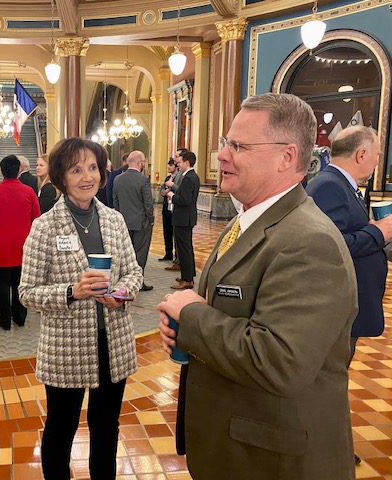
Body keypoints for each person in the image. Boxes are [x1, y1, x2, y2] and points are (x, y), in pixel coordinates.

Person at [158, 93, 358, 480]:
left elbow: (281, 360)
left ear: (287, 156)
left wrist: (192, 315)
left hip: (273, 461)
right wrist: (186, 329)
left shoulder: (308, 240)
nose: (221, 155)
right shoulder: (249, 219)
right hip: (237, 445)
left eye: (239, 146)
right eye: (225, 143)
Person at [19, 137, 142, 479]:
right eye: (76, 170)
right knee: (61, 427)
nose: (87, 176)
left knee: (106, 426)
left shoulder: (114, 220)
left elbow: (134, 271)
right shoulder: (44, 227)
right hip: (66, 347)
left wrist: (121, 292)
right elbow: (27, 292)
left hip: (112, 342)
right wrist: (72, 291)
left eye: (93, 167)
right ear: (61, 176)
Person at [306, 125, 390, 466]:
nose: (377, 160)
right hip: (338, 307)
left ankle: (329, 445)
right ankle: (322, 449)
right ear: (361, 155)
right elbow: (330, 247)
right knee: (327, 381)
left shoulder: (341, 185)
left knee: (333, 379)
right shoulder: (329, 186)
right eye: (376, 154)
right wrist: (378, 231)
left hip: (348, 305)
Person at [0, 155, 40, 330]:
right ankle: (20, 317)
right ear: (19, 169)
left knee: (2, 284)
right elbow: (37, 217)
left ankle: (4, 321)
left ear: (1, 171)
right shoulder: (29, 192)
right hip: (22, 245)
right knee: (19, 282)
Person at [112, 151, 154, 291]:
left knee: (125, 254)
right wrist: (151, 219)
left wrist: (120, 216)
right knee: (140, 253)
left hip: (123, 222)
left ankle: (125, 280)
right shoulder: (143, 180)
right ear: (140, 163)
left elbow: (115, 201)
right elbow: (148, 203)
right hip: (141, 223)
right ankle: (138, 282)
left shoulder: (118, 179)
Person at [167, 151, 200, 290]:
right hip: (186, 218)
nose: (177, 165)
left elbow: (185, 200)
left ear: (187, 162)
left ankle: (187, 280)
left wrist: (171, 195)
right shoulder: (193, 176)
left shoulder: (188, 178)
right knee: (186, 248)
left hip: (183, 218)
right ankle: (188, 275)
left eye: (179, 162)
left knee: (184, 249)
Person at [159, 158, 178, 261]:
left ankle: (176, 256)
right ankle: (168, 253)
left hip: (174, 209)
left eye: (171, 165)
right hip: (166, 208)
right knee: (167, 232)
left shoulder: (178, 178)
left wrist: (167, 191)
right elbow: (162, 191)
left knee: (175, 233)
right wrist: (165, 191)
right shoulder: (167, 177)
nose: (168, 167)